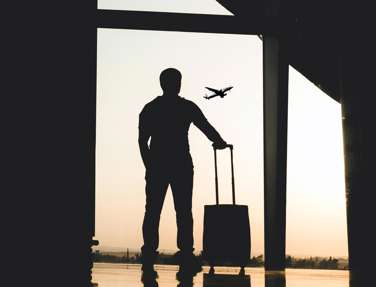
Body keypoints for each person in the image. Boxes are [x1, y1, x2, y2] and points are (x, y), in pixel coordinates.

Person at [138, 68, 228, 278]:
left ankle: (149, 254)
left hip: (158, 164)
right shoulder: (186, 107)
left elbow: (143, 141)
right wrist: (220, 141)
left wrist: (149, 165)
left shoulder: (151, 109)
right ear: (177, 84)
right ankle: (186, 254)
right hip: (181, 164)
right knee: (183, 211)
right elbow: (205, 126)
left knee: (152, 211)